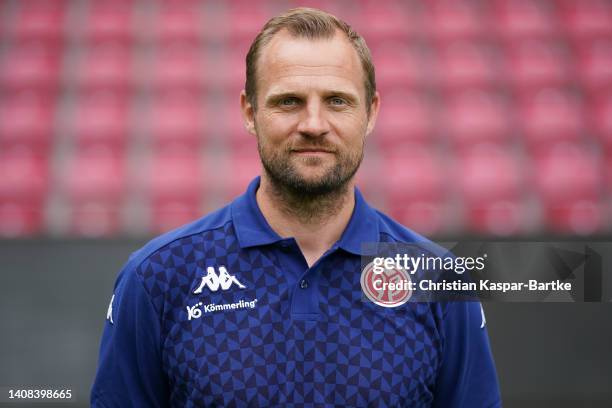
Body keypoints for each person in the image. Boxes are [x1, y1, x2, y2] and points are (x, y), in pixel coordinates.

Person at [91, 7, 501, 407]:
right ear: (250, 113)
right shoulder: (160, 277)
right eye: (288, 101)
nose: (313, 124)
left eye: (338, 101)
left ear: (371, 112)